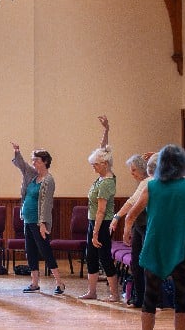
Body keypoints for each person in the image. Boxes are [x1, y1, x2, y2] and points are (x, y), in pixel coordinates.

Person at [123, 145, 185, 330]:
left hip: (155, 246)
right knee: (181, 298)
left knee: (150, 297)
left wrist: (127, 231)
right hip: (183, 246)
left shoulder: (151, 186)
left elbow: (131, 215)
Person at [10, 140, 63, 294]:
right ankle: (34, 283)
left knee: (45, 251)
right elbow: (22, 165)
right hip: (27, 220)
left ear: (45, 162)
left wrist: (42, 223)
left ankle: (59, 283)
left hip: (38, 222)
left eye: (36, 160)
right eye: (33, 160)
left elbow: (46, 204)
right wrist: (17, 152)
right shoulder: (32, 175)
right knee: (30, 251)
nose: (33, 163)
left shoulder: (48, 180)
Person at [79, 116, 117, 300]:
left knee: (104, 257)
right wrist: (106, 130)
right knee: (91, 257)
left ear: (104, 164)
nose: (93, 167)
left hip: (101, 224)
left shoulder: (107, 182)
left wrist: (95, 234)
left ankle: (115, 294)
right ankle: (92, 291)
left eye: (95, 164)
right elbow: (103, 150)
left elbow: (102, 211)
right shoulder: (102, 176)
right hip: (93, 222)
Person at [110, 153, 153, 307]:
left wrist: (117, 217)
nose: (131, 173)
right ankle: (139, 298)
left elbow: (131, 203)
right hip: (139, 226)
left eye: (134, 170)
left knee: (145, 264)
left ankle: (148, 300)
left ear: (143, 169)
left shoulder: (148, 181)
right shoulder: (143, 182)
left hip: (147, 227)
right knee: (137, 263)